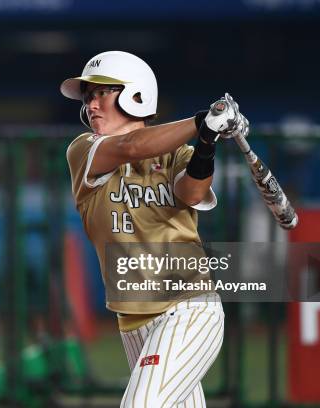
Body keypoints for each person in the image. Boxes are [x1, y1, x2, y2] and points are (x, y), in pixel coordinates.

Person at [61, 51, 248, 407]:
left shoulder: (177, 155)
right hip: (132, 321)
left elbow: (191, 191)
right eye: (88, 96)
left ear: (136, 94)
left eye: (102, 92)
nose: (91, 104)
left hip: (190, 310)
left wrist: (206, 141)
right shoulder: (83, 150)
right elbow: (131, 146)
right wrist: (202, 121)